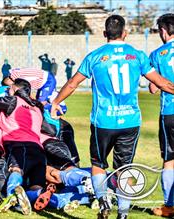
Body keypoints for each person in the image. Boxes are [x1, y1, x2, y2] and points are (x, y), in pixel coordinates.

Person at [51, 15, 174, 219]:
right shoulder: (137, 56)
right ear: (125, 33)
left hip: (103, 122)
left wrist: (56, 102)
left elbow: (72, 83)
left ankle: (103, 202)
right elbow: (162, 84)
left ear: (105, 33)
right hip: (130, 121)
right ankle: (123, 214)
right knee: (124, 168)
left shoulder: (95, 56)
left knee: (99, 164)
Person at [0, 79, 46, 215]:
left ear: (15, 89)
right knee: (36, 185)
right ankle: (43, 196)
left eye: (10, 88)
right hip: (38, 150)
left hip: (18, 144)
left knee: (15, 169)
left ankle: (12, 194)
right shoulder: (38, 107)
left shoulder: (13, 100)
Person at [148, 13, 174, 218]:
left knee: (170, 159)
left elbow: (153, 88)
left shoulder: (158, 54)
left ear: (163, 31)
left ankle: (170, 205)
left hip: (170, 113)